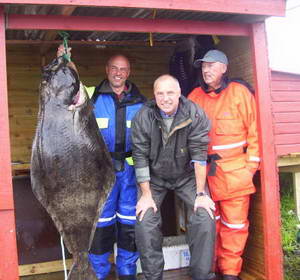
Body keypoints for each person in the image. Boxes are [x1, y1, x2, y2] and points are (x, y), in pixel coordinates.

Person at [57, 46, 146, 280]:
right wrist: (66, 60)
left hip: (130, 174)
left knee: (129, 226)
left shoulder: (142, 102)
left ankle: (127, 273)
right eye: (114, 68)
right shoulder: (91, 95)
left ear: (129, 72)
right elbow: (72, 85)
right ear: (107, 70)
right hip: (100, 174)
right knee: (101, 226)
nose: (118, 73)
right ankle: (98, 273)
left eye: (123, 69)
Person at [131, 74, 216, 280]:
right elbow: (139, 156)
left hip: (187, 176)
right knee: (145, 220)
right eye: (160, 93)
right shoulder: (143, 116)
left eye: (170, 92)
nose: (165, 98)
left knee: (205, 216)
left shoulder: (194, 113)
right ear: (154, 95)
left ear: (179, 93)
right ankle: (153, 277)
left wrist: (201, 193)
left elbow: (199, 156)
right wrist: (145, 194)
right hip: (155, 178)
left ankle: (201, 276)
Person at [188, 50, 260, 280]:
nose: (206, 70)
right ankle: (212, 270)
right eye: (203, 66)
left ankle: (230, 273)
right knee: (209, 227)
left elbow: (256, 133)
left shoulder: (240, 94)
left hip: (235, 175)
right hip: (204, 177)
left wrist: (250, 169)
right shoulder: (194, 97)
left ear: (224, 68)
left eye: (211, 65)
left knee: (235, 227)